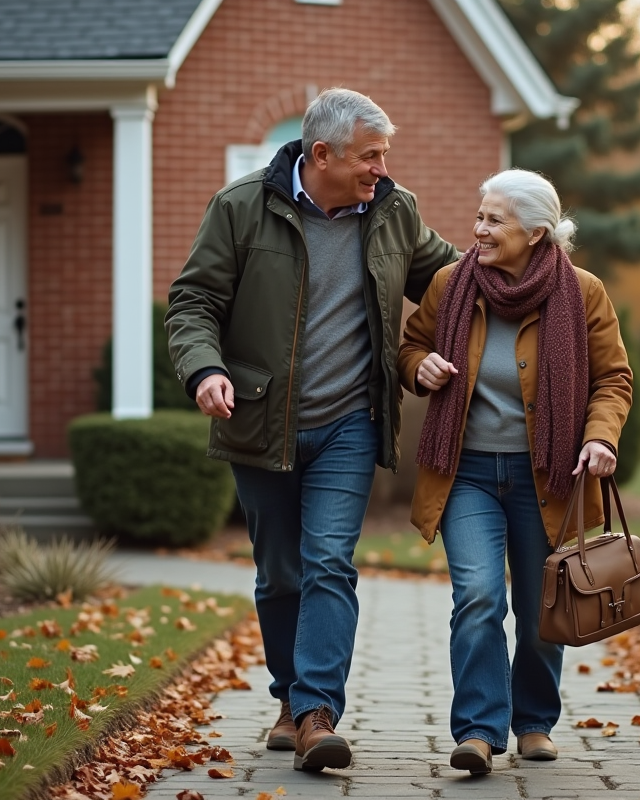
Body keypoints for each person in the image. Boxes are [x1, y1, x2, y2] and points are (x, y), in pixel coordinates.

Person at [166, 88, 458, 772]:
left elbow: (451, 280)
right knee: (279, 573)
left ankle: (317, 712)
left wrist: (536, 265)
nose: (381, 169)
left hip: (349, 422)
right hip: (259, 419)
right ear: (321, 154)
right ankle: (290, 699)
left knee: (329, 562)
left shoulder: (395, 210)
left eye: (385, 155)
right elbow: (194, 300)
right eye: (370, 155)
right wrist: (205, 369)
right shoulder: (241, 207)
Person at [397, 169, 632, 775]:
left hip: (545, 476)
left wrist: (600, 437)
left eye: (493, 220)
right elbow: (409, 346)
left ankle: (532, 721)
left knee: (538, 606)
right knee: (477, 594)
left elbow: (613, 379)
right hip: (465, 471)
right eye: (479, 216)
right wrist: (419, 368)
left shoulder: (582, 293)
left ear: (536, 231)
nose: (477, 229)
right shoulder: (452, 284)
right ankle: (477, 730)